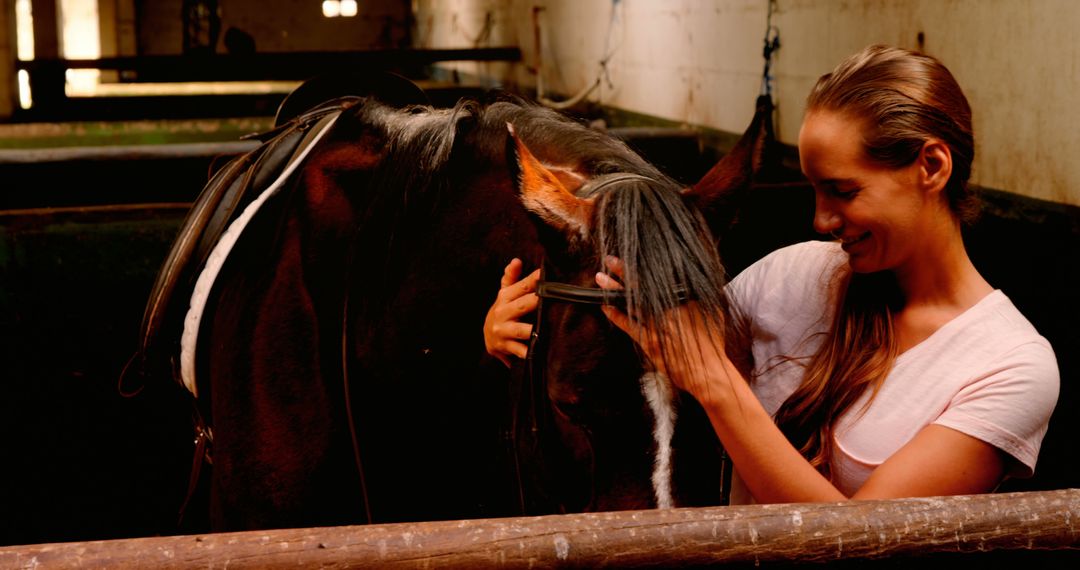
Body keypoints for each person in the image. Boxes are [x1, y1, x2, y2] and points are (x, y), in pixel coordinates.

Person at [483, 45, 1059, 504]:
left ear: (931, 166)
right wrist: (519, 324)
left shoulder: (1009, 367)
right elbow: (645, 355)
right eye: (813, 188)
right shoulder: (798, 274)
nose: (820, 218)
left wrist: (716, 383)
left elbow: (861, 545)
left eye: (843, 190)